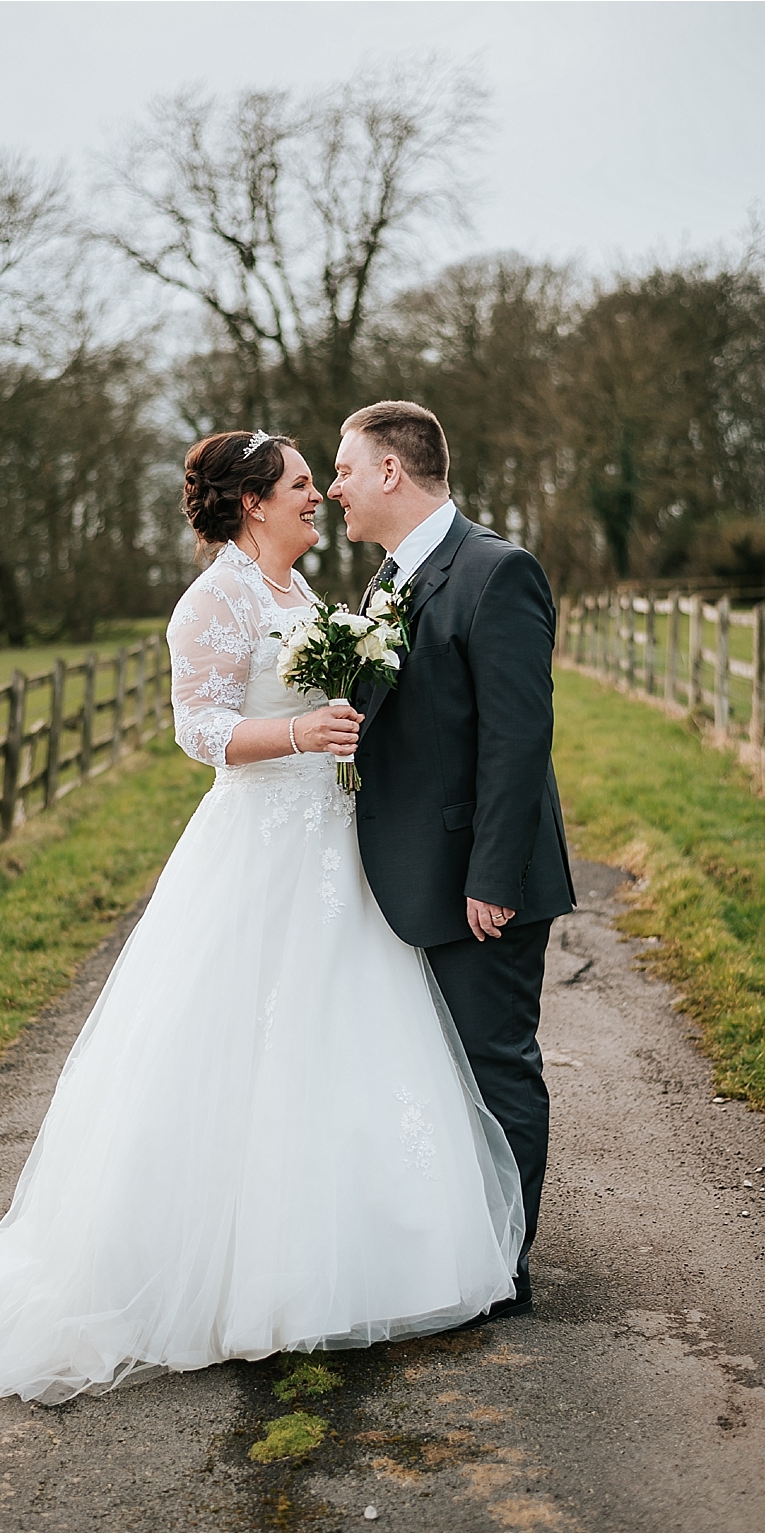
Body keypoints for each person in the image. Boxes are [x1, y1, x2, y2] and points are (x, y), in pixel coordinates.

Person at [0, 430, 524, 1407]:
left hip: (328, 845)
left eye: (323, 480)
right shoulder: (216, 598)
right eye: (302, 484)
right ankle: (227, 1277)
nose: (319, 495)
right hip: (258, 847)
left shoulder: (301, 595)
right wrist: (297, 732)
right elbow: (196, 727)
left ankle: (346, 1254)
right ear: (251, 503)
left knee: (338, 1039)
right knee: (239, 1045)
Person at [335, 399, 576, 1321]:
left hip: (482, 882)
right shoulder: (388, 580)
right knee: (438, 1072)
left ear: (392, 471)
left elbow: (519, 742)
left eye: (347, 469)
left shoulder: (495, 571)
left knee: (494, 1065)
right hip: (411, 875)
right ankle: (457, 1250)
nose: (339, 489)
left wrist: (493, 877)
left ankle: (505, 1274)